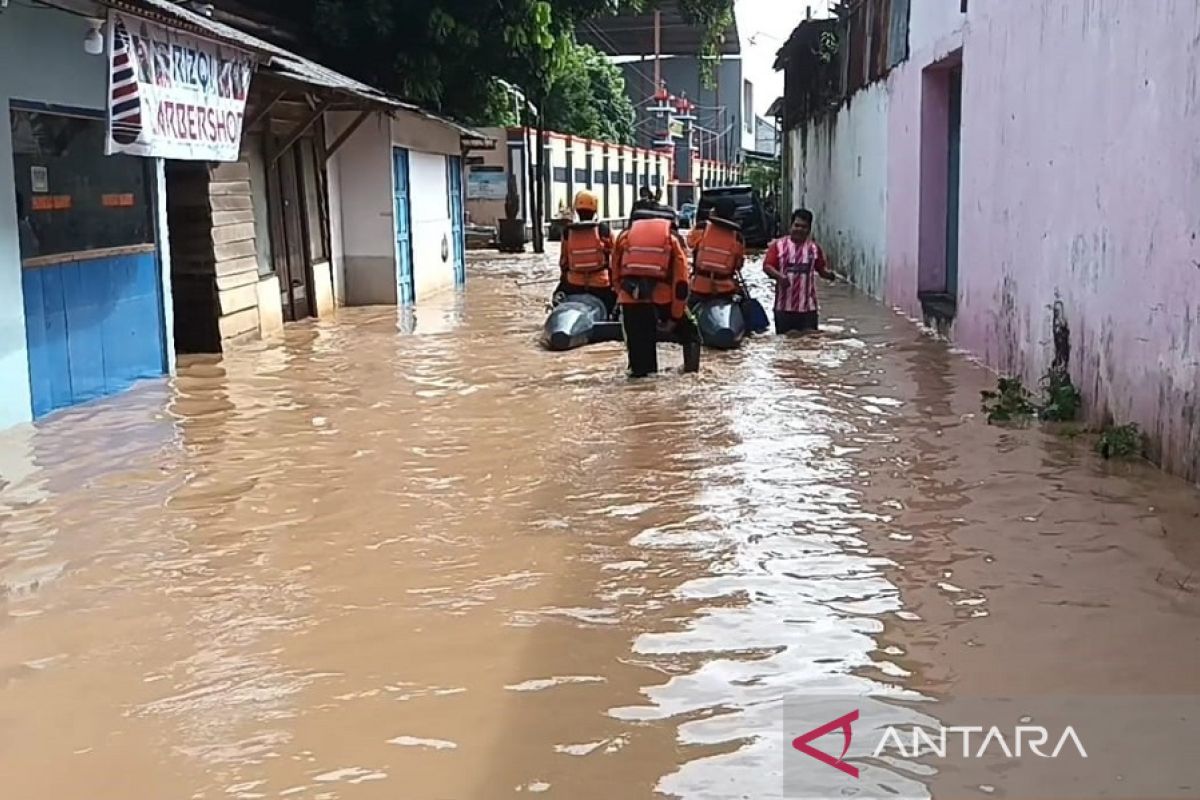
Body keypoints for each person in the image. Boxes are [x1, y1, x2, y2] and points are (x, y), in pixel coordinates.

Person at [611, 212, 698, 377]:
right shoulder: (671, 240)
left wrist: (626, 296)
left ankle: (640, 392)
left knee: (641, 367)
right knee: (691, 334)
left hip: (631, 301)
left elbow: (614, 275)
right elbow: (681, 284)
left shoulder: (624, 238)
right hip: (664, 301)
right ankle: (691, 376)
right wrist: (674, 317)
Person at [763, 208, 835, 334]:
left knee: (809, 345)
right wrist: (779, 277)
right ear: (791, 226)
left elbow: (821, 269)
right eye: (797, 225)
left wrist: (830, 276)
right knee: (786, 345)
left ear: (809, 229)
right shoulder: (778, 246)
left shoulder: (814, 249)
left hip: (808, 309)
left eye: (804, 227)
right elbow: (767, 266)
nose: (799, 229)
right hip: (784, 308)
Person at [554, 189, 616, 314]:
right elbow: (615, 259)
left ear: (576, 210)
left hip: (574, 285)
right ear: (595, 210)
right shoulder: (604, 230)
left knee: (556, 297)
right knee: (617, 303)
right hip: (601, 286)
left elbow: (563, 262)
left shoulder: (567, 232)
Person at [689, 197, 745, 299]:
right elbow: (738, 265)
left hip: (699, 287)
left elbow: (689, 243)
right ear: (733, 214)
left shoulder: (702, 228)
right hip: (726, 290)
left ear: (714, 211)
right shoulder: (737, 237)